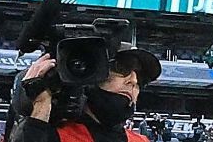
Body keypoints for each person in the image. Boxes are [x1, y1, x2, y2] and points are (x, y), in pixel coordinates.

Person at [13, 42, 160, 142]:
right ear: (90, 76)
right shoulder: (54, 136)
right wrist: (40, 106)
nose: (133, 80)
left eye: (141, 79)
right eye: (122, 69)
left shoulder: (141, 140)